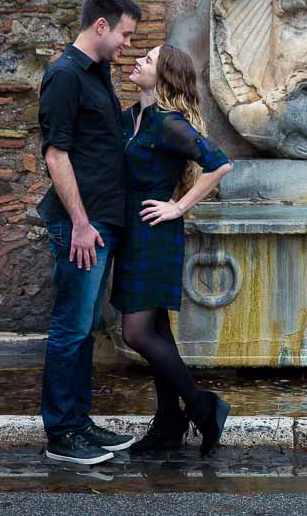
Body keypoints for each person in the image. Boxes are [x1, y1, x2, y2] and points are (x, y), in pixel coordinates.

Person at [37, 0, 142, 465]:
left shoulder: (98, 76)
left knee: (84, 329)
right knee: (70, 328)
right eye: (125, 34)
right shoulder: (64, 76)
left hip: (103, 223)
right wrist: (80, 224)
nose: (126, 45)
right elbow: (56, 155)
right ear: (101, 26)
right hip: (82, 226)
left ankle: (79, 423)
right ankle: (61, 434)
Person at [114, 44, 233, 458]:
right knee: (158, 331)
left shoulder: (168, 124)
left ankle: (202, 407)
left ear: (163, 76)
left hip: (156, 232)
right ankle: (168, 422)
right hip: (133, 232)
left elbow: (219, 164)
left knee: (137, 333)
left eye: (146, 60)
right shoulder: (133, 117)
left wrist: (179, 206)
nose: (137, 62)